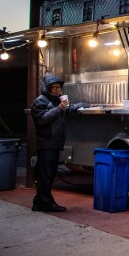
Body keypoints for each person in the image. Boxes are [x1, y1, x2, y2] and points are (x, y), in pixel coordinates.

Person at [30, 74, 88, 212]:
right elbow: (42, 119)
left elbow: (69, 108)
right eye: (54, 87)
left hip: (54, 143)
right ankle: (46, 203)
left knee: (48, 174)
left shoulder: (56, 101)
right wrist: (59, 108)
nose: (57, 90)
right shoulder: (40, 102)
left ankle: (39, 202)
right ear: (47, 88)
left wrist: (84, 105)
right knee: (46, 174)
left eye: (58, 87)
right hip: (46, 143)